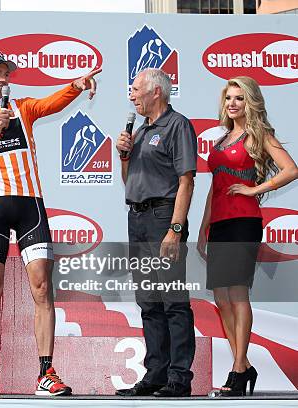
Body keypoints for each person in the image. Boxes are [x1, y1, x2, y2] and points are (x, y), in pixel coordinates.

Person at [0, 47, 100, 396]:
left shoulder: (22, 108)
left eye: (6, 72)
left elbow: (53, 102)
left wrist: (77, 85)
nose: (3, 78)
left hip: (29, 205)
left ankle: (46, 373)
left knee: (41, 286)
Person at [196, 76, 298, 396]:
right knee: (221, 298)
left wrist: (255, 189)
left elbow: (291, 169)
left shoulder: (259, 135)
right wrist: (203, 227)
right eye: (229, 98)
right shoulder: (222, 139)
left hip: (244, 222)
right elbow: (216, 187)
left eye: (239, 98)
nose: (233, 103)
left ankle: (239, 368)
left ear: (249, 102)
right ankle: (244, 365)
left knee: (238, 295)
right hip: (220, 224)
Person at [115, 68, 196, 398]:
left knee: (173, 301)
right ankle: (156, 373)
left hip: (164, 218)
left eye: (135, 89)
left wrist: (174, 231)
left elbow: (186, 181)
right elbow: (129, 181)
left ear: (156, 92)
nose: (131, 95)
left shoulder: (177, 125)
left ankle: (179, 376)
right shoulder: (139, 131)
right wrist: (124, 155)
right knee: (148, 301)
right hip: (137, 219)